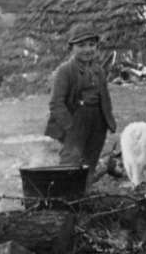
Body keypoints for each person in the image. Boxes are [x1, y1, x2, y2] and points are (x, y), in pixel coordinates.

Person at [45, 24, 117, 184]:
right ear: (71, 48)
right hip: (75, 120)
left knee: (91, 158)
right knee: (71, 159)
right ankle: (64, 191)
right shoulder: (65, 71)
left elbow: (105, 98)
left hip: (97, 121)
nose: (87, 50)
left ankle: (85, 189)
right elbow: (56, 103)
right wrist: (70, 126)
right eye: (81, 45)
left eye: (92, 45)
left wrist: (108, 120)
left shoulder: (99, 71)